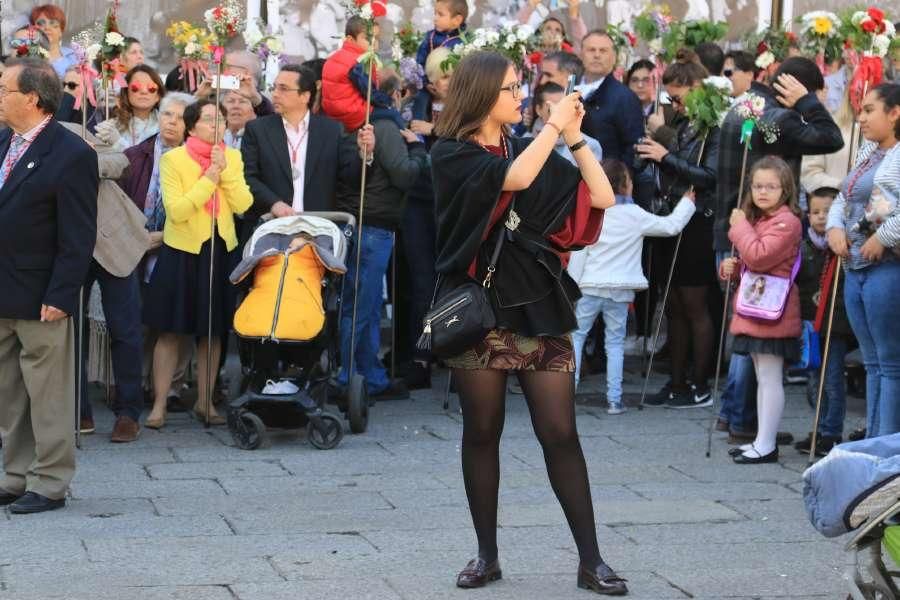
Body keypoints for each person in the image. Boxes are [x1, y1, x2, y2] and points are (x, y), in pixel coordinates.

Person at [431, 51, 625, 595]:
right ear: (482, 96)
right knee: (483, 431)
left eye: (521, 88)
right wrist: (552, 126)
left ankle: (592, 561)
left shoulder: (524, 146)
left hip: (537, 303)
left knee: (560, 431)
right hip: (479, 307)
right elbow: (512, 179)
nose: (520, 97)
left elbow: (603, 197)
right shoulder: (450, 153)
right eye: (511, 90)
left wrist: (577, 139)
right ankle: (486, 555)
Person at [714, 57, 843, 443]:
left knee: (745, 323)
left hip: (730, 228)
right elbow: (830, 136)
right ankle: (743, 418)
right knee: (756, 326)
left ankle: (735, 416)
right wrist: (806, 104)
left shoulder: (741, 108)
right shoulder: (779, 118)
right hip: (761, 234)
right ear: (795, 87)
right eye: (812, 92)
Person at [0, 58, 98, 513]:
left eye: (4, 90)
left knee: (48, 395)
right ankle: (16, 475)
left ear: (32, 99)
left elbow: (78, 234)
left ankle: (51, 481)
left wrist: (62, 295)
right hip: (3, 291)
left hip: (41, 296)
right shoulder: (3, 141)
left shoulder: (71, 152)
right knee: (9, 395)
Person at [142, 99, 253, 429]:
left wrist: (226, 172)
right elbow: (177, 210)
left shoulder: (231, 156)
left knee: (214, 330)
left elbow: (244, 203)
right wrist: (210, 177)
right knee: (170, 330)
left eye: (220, 120)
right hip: (183, 250)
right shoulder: (174, 159)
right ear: (192, 127)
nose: (216, 126)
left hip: (220, 249)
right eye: (208, 120)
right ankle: (159, 403)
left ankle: (206, 402)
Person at [568, 159, 694, 414]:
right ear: (627, 185)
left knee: (577, 338)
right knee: (614, 343)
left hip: (590, 285)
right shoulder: (635, 215)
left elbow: (579, 253)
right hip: (621, 288)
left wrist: (571, 286)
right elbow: (670, 226)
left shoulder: (592, 212)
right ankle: (614, 400)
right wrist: (688, 203)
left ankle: (567, 395)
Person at [636, 50, 720, 408]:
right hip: (672, 216)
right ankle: (677, 380)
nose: (674, 104)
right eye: (670, 97)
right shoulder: (686, 124)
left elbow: (710, 177)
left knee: (694, 305)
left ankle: (700, 382)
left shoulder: (713, 126)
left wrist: (665, 156)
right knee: (672, 305)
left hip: (698, 222)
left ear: (698, 89)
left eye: (678, 97)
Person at [335, 74, 428, 400]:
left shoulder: (365, 124)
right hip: (372, 226)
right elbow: (403, 174)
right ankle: (346, 377)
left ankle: (370, 377)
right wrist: (418, 150)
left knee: (369, 307)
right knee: (359, 307)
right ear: (396, 95)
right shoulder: (384, 126)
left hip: (371, 224)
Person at [59, 119, 149, 443]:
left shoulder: (71, 130)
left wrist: (68, 163)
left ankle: (129, 411)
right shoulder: (10, 142)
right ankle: (78, 409)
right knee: (69, 332)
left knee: (124, 329)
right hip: (64, 249)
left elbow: (118, 162)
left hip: (111, 239)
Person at [827, 83, 900, 439]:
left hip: (887, 267)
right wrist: (834, 227)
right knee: (872, 362)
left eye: (870, 110)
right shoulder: (869, 150)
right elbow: (844, 195)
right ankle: (873, 441)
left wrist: (882, 237)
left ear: (895, 113)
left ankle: (888, 448)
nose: (862, 117)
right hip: (854, 265)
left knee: (890, 363)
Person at [719, 157, 803, 464]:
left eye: (771, 186)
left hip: (773, 313)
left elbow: (759, 256)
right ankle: (761, 439)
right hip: (758, 306)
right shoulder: (762, 220)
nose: (763, 192)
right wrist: (732, 267)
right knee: (761, 374)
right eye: (757, 186)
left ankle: (766, 443)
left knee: (769, 377)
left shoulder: (787, 222)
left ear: (785, 189)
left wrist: (739, 228)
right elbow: (752, 263)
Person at [119, 92, 198, 414]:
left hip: (178, 244)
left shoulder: (197, 160)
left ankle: (172, 388)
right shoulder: (136, 155)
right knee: (136, 320)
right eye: (166, 114)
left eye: (180, 117)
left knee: (174, 321)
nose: (171, 122)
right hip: (135, 246)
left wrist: (165, 237)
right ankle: (133, 384)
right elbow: (119, 204)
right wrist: (139, 237)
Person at [241, 64, 374, 237]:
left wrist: (365, 154)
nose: (275, 94)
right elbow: (247, 176)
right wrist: (274, 204)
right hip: (270, 226)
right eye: (274, 88)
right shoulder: (257, 129)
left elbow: (351, 181)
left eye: (283, 89)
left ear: (305, 96)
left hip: (317, 229)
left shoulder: (331, 130)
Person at [794, 187, 853, 456]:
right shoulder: (804, 246)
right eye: (815, 212)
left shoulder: (841, 246)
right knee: (814, 379)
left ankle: (832, 432)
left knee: (832, 379)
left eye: (827, 212)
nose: (821, 217)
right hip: (810, 323)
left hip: (835, 324)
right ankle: (818, 426)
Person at [578, 31, 643, 168]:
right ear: (581, 54)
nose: (597, 55)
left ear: (614, 57)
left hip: (607, 181)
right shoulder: (569, 88)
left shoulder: (625, 97)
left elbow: (633, 148)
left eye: (603, 50)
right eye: (591, 50)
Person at [411, 0, 467, 120]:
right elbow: (420, 63)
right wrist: (425, 82)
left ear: (456, 20)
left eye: (440, 14)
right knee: (421, 99)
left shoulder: (462, 42)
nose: (435, 18)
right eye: (435, 13)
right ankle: (417, 131)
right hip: (429, 86)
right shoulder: (430, 37)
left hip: (451, 90)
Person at [94, 65, 166, 152]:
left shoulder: (167, 126)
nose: (143, 92)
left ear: (158, 96)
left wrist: (118, 143)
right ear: (126, 92)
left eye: (151, 88)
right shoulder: (111, 127)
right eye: (135, 87)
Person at [530, 82, 602, 164]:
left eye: (562, 108)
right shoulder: (525, 141)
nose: (559, 115)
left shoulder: (589, 146)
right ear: (538, 110)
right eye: (551, 110)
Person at [517, 0, 587, 53]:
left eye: (558, 30)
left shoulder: (568, 58)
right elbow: (517, 33)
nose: (553, 32)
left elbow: (582, 44)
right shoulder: (528, 55)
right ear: (540, 34)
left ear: (563, 37)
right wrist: (531, 4)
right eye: (548, 28)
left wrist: (574, 12)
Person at [30, 4, 76, 78]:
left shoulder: (75, 56)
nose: (47, 27)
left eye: (53, 24)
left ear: (61, 31)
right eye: (41, 24)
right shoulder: (25, 59)